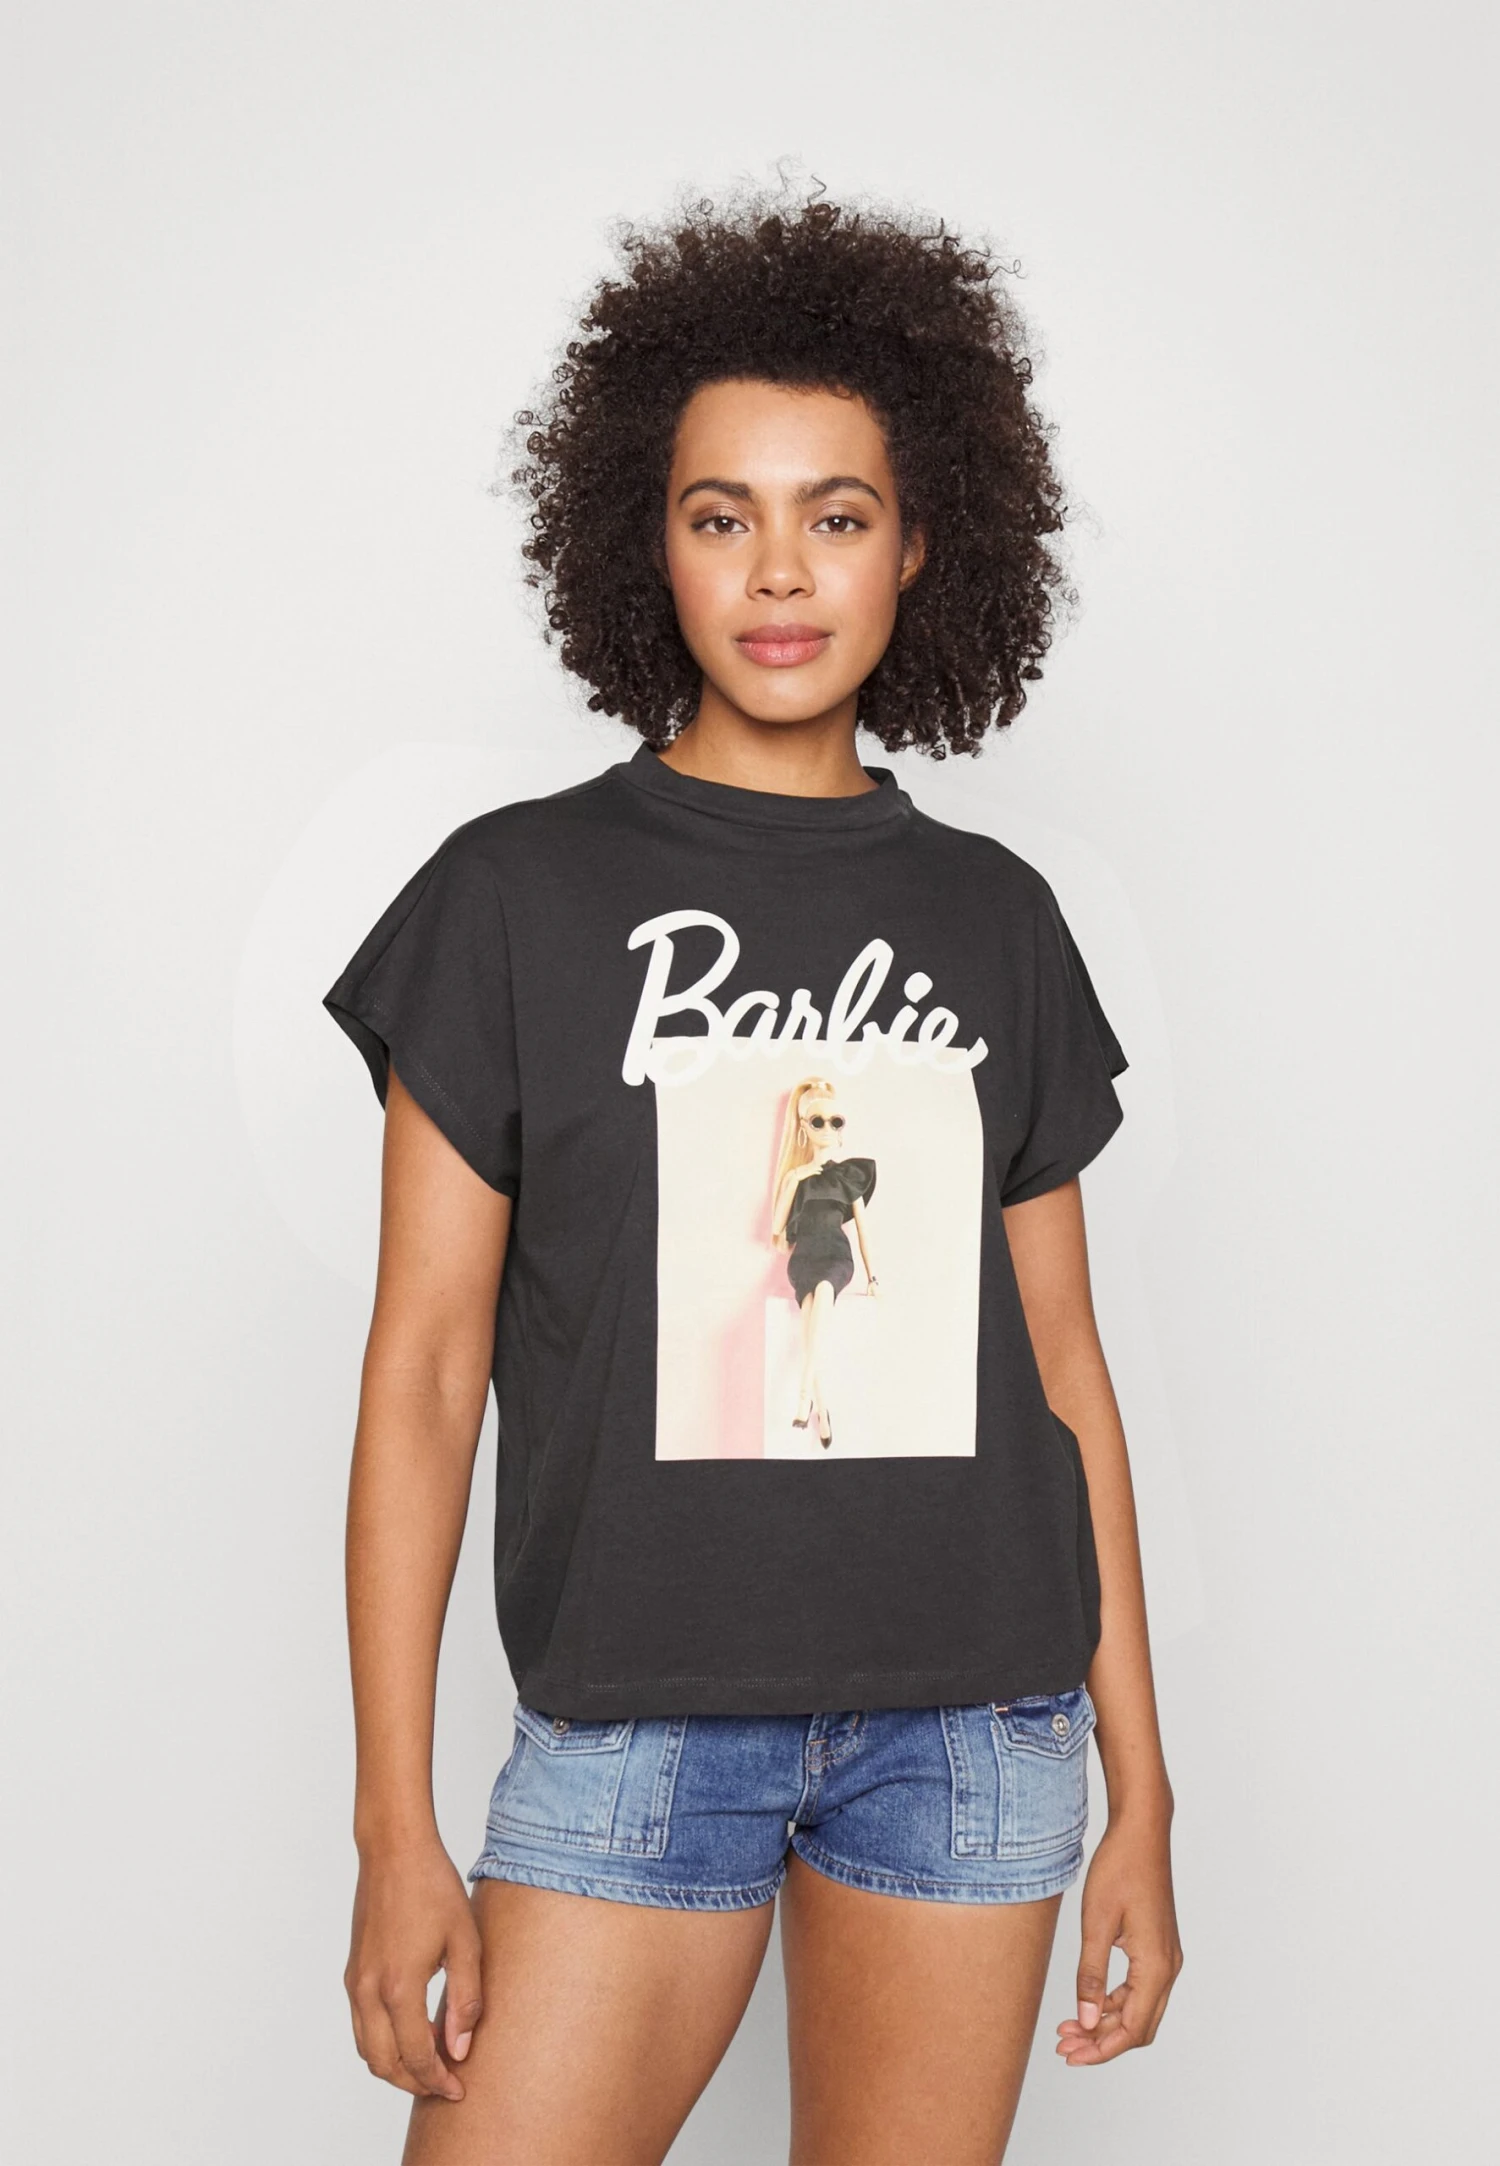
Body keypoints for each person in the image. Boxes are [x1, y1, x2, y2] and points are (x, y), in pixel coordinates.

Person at [324, 188, 1182, 2166]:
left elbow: (1063, 1368)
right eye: (723, 515)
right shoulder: (512, 898)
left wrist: (1144, 1786)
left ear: (920, 545)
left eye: (837, 514)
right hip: (634, 1731)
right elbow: (425, 1373)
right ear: (651, 541)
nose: (781, 570)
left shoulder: (995, 919)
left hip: (969, 1732)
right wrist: (392, 1825)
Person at [770, 1076, 878, 1448]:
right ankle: (823, 1407)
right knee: (809, 1320)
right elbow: (776, 1228)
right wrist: (792, 1181)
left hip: (836, 1254)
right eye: (818, 1121)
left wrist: (873, 1277)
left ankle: (804, 1395)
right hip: (804, 1256)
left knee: (826, 1289)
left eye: (836, 1121)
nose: (828, 1128)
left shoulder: (849, 1176)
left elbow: (863, 1231)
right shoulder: (796, 1178)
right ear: (804, 1127)